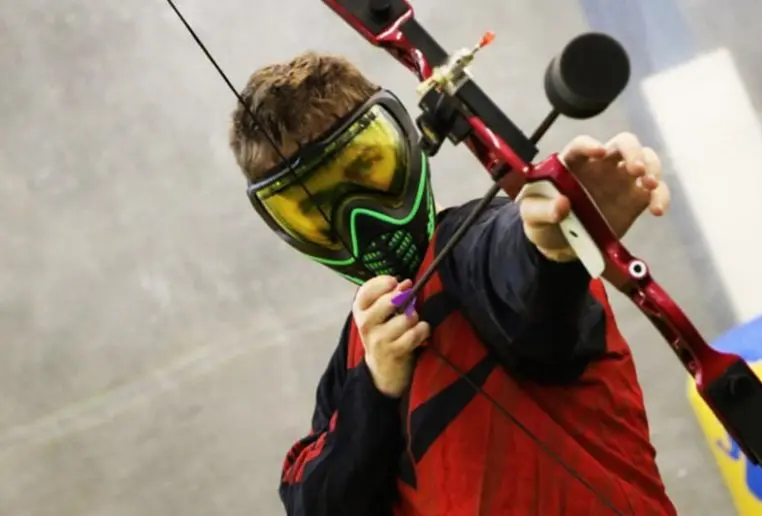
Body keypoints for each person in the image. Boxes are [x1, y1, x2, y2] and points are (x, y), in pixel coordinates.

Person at [228, 51, 677, 516]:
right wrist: (376, 387)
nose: (359, 218)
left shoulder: (472, 249)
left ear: (406, 144)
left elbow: (524, 283)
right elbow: (313, 504)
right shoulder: (354, 362)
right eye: (315, 208)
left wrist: (554, 244)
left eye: (366, 169)